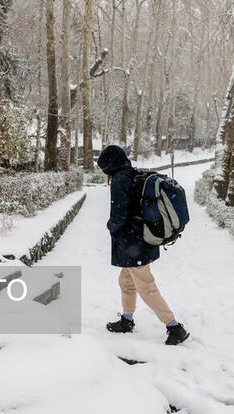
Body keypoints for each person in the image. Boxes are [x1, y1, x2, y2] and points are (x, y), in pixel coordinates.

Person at [96, 145, 190, 345]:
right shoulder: (133, 173)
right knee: (126, 282)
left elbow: (119, 214)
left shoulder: (120, 180)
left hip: (132, 243)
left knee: (146, 287)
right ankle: (127, 320)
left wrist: (110, 226)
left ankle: (174, 327)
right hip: (140, 240)